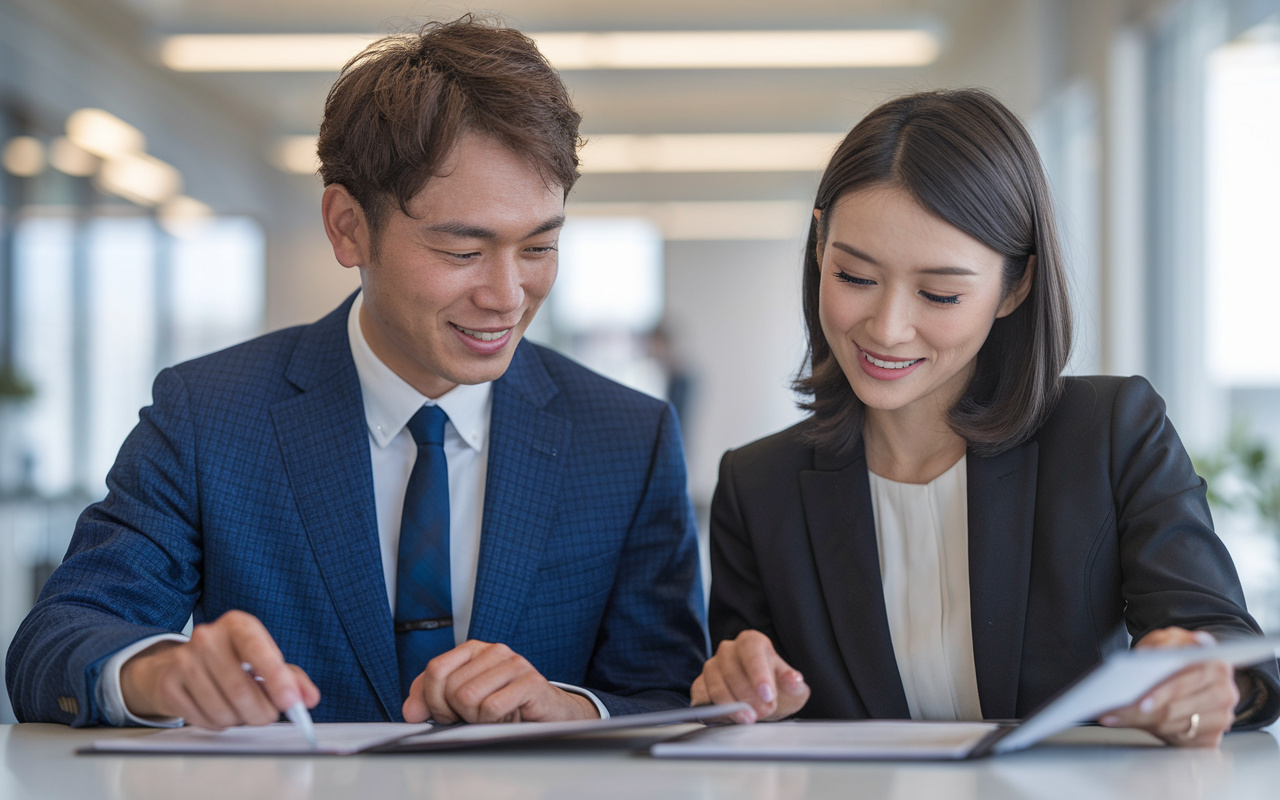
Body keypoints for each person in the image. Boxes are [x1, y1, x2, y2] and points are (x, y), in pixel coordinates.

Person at [6, 15, 708, 730]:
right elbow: (55, 643)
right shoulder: (208, 417)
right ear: (347, 227)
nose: (506, 295)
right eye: (463, 251)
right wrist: (163, 672)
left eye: (537, 247)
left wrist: (571, 709)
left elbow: (671, 697)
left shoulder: (626, 439)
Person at [690, 88, 1280, 746]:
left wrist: (1203, 687)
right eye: (854, 276)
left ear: (1016, 286)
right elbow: (745, 703)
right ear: (819, 247)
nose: (886, 328)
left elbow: (1235, 655)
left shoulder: (1111, 433)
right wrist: (740, 692)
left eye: (940, 293)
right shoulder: (757, 486)